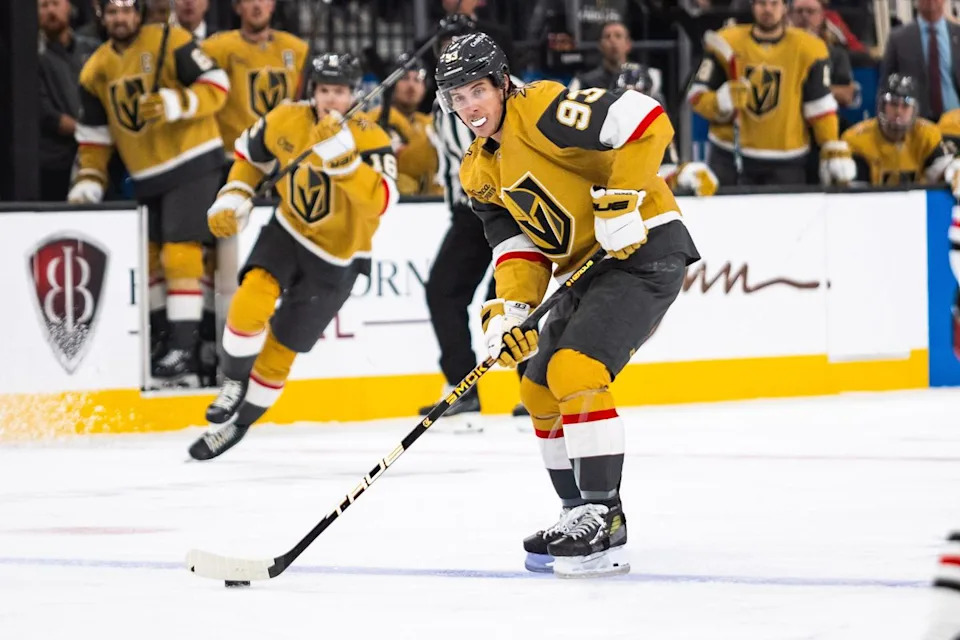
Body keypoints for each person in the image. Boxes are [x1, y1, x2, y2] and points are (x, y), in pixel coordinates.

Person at [435, 33, 699, 577]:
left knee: (575, 369)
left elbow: (647, 118)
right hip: (587, 268)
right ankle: (576, 509)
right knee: (534, 385)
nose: (469, 107)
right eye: (456, 97)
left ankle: (606, 516)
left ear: (503, 84)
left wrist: (623, 197)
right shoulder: (478, 169)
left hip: (643, 249)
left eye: (477, 90)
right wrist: (511, 311)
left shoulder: (543, 109)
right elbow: (518, 247)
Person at [188, 53, 399, 460]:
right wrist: (234, 196)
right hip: (288, 231)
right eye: (324, 90)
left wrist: (343, 162)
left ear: (353, 94)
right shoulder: (286, 117)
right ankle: (231, 382)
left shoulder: (371, 137)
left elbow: (383, 202)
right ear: (312, 92)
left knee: (281, 348)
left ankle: (241, 424)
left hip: (340, 256)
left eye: (340, 91)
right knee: (251, 296)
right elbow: (250, 159)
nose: (332, 100)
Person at [70, 0, 229, 384]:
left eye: (127, 11)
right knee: (150, 258)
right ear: (101, 16)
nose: (120, 18)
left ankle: (184, 349)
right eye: (113, 12)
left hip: (192, 161)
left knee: (180, 254)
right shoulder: (95, 70)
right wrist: (90, 178)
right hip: (146, 174)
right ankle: (165, 340)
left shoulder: (171, 38)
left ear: (138, 13)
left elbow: (217, 84)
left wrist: (177, 103)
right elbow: (94, 136)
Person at [686, 0, 855, 187]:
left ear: (785, 7)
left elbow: (819, 106)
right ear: (752, 6)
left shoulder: (808, 48)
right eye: (761, 3)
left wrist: (830, 146)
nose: (767, 9)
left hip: (787, 161)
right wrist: (720, 102)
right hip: (730, 156)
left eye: (774, 3)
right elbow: (696, 96)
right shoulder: (725, 41)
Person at [616, 63, 719, 196]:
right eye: (626, 96)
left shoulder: (657, 122)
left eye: (640, 95)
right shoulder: (601, 124)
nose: (634, 103)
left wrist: (682, 174)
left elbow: (664, 168)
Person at [843, 74, 956, 188]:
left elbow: (944, 177)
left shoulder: (927, 135)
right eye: (893, 104)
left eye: (905, 105)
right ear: (882, 106)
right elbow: (857, 195)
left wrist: (954, 170)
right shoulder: (856, 139)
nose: (898, 111)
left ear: (914, 110)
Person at [38, 0, 100, 200]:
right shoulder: (30, 56)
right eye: (44, 6)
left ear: (68, 7)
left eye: (55, 4)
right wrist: (87, 132)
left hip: (97, 156)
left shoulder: (92, 49)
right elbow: (44, 112)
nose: (50, 11)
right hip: (54, 161)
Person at [368, 56, 442, 196]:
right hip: (395, 203)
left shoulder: (428, 122)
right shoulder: (375, 119)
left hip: (431, 205)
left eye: (418, 79)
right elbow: (401, 164)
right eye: (404, 78)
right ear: (392, 84)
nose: (411, 86)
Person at [880, 0, 960, 123]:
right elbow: (885, 86)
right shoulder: (898, 39)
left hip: (956, 121)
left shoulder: (957, 34)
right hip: (916, 123)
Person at [788, 0, 855, 109]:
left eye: (810, 11)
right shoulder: (776, 51)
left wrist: (810, 91)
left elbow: (847, 95)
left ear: (821, 16)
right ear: (789, 15)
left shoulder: (836, 54)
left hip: (824, 117)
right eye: (799, 11)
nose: (804, 16)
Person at [567, 20, 631, 92]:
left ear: (628, 44)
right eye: (607, 37)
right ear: (600, 45)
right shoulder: (584, 82)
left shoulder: (643, 77)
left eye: (618, 36)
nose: (613, 40)